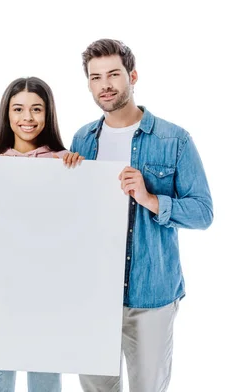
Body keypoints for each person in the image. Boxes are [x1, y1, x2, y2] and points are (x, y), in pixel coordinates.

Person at [65, 38, 213, 392]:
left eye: (114, 74)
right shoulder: (82, 139)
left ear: (132, 76)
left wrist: (149, 198)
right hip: (95, 293)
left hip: (152, 295)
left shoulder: (173, 139)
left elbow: (203, 212)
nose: (106, 85)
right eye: (96, 77)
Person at [0, 76, 81, 392]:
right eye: (18, 109)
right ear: (7, 114)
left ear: (48, 114)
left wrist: (80, 172)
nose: (27, 118)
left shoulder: (65, 163)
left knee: (45, 379)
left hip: (47, 294)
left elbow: (77, 229)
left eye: (36, 109)